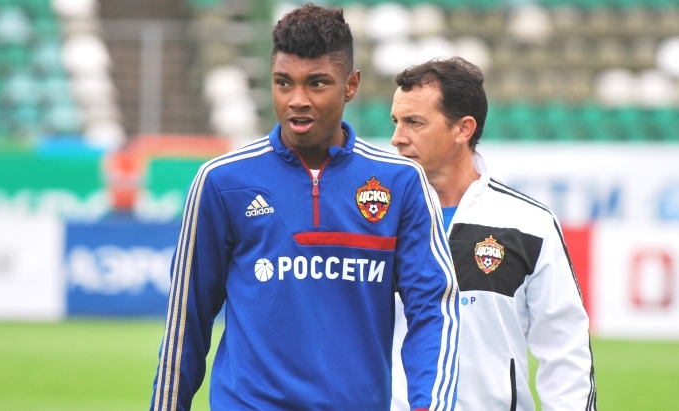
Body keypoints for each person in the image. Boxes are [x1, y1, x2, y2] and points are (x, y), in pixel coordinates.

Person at [149, 4, 459, 411]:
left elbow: (433, 309)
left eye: (317, 83)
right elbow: (185, 322)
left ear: (351, 85)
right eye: (283, 83)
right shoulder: (222, 181)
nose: (297, 100)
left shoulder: (400, 182)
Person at [389, 57, 597, 411]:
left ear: (463, 129)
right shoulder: (374, 223)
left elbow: (565, 350)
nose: (397, 138)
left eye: (414, 123)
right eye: (396, 121)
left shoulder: (528, 224)